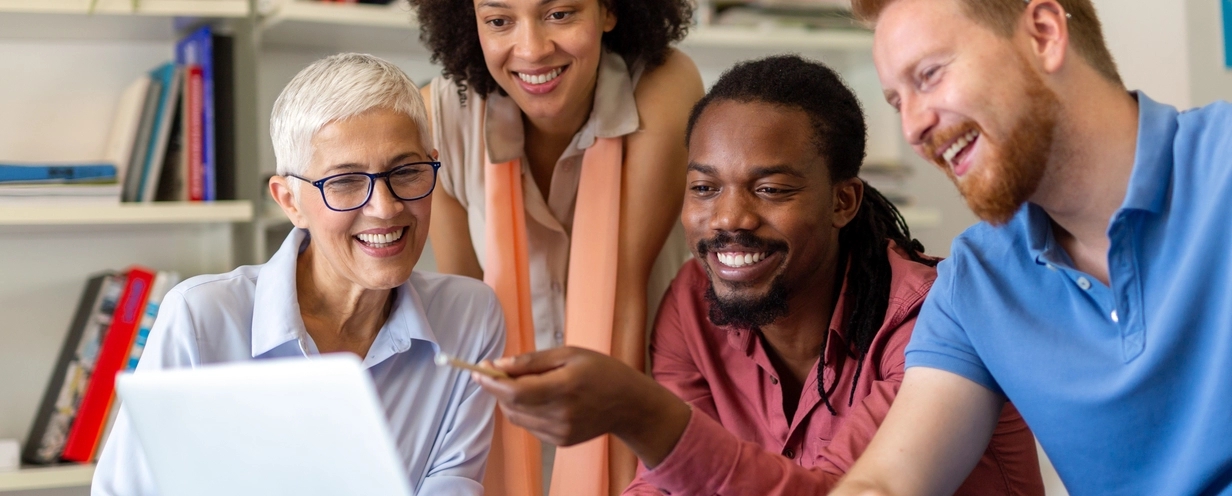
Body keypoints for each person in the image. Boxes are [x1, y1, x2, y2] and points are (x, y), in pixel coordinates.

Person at [472, 55, 1045, 495]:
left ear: (843, 202)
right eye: (704, 188)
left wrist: (639, 410)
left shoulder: (930, 321)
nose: (728, 219)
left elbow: (838, 492)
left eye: (771, 189)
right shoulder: (694, 304)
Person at [827, 0, 1232, 494]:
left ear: (1043, 34)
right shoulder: (976, 282)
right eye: (897, 101)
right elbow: (887, 484)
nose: (913, 129)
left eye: (929, 75)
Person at [91, 53, 505, 496]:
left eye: (405, 172)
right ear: (289, 201)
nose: (385, 208)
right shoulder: (201, 319)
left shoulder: (470, 318)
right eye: (344, 181)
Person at [408, 0, 704, 494]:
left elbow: (622, 296)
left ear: (608, 10)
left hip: (642, 415)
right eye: (499, 21)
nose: (531, 50)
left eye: (559, 14)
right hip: (507, 428)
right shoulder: (440, 117)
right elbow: (465, 316)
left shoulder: (664, 84)